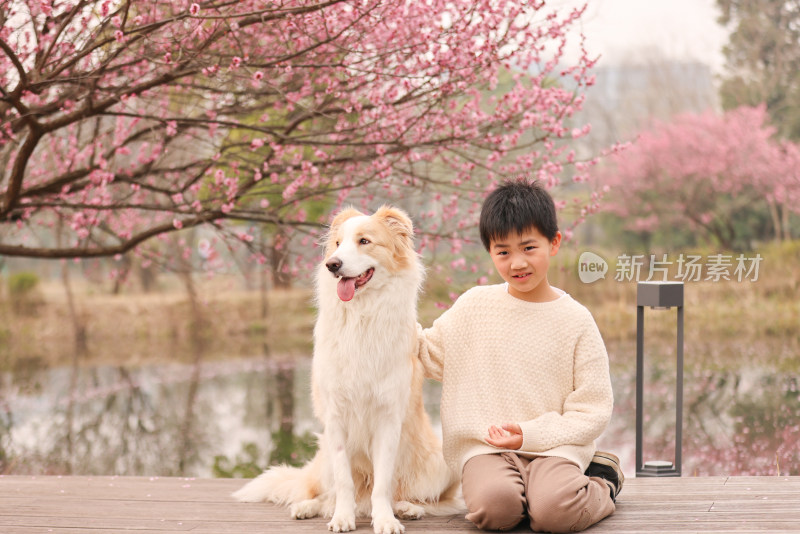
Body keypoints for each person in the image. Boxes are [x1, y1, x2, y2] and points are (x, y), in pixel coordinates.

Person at [416, 179, 623, 533]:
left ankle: (602, 481)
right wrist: (380, 307)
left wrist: (528, 434)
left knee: (555, 514)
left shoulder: (576, 320)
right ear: (490, 252)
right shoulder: (474, 306)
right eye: (503, 252)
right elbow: (427, 354)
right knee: (496, 510)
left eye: (529, 247)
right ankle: (529, 494)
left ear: (554, 242)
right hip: (485, 446)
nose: (517, 263)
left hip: (555, 447)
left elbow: (593, 409)